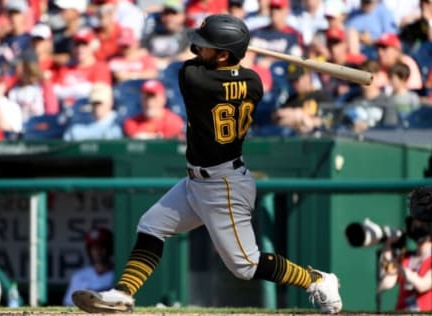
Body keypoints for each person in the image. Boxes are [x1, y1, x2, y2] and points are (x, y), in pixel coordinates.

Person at [71, 14, 342, 314]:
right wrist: (230, 50)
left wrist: (228, 50)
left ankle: (316, 279)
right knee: (151, 225)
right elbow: (231, 71)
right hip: (199, 181)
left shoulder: (195, 79)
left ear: (224, 54)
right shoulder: (253, 83)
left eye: (207, 46)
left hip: (222, 185)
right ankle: (122, 294)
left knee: (246, 265)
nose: (198, 49)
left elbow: (192, 64)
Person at [378, 216, 432, 311]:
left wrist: (398, 266)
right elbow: (387, 283)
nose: (416, 227)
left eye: (421, 224)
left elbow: (422, 285)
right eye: (414, 224)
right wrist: (387, 245)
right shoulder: (406, 258)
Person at [271, 64, 332, 135]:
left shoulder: (322, 95)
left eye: (297, 79)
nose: (294, 84)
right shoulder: (292, 98)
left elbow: (327, 120)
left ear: (308, 76)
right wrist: (295, 114)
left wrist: (302, 115)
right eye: (292, 81)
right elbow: (276, 115)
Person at [63, 227, 115, 306]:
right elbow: (68, 304)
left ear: (109, 248)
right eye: (94, 247)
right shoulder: (79, 276)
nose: (98, 251)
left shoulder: (119, 274)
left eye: (102, 246)